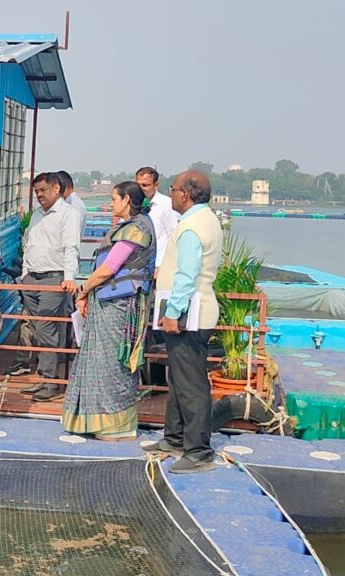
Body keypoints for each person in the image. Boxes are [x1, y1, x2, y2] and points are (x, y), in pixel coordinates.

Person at [143, 170, 223, 474]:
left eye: (174, 189)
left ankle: (199, 451)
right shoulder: (206, 220)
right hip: (194, 312)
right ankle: (175, 438)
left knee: (190, 385)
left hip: (190, 315)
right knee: (178, 380)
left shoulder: (191, 227)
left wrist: (173, 312)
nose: (171, 194)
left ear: (186, 194)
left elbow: (187, 275)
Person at [63, 182, 156, 440]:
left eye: (114, 199)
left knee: (111, 364)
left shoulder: (136, 229)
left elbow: (109, 268)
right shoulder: (134, 225)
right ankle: (97, 420)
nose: (112, 204)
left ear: (127, 200)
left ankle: (115, 425)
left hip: (120, 305)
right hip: (110, 301)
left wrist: (83, 289)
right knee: (100, 361)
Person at [11, 172, 81, 402]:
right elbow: (29, 244)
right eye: (36, 191)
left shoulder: (68, 215)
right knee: (38, 328)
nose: (39, 195)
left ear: (56, 189)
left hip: (54, 278)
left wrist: (69, 277)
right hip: (32, 279)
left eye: (43, 190)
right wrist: (24, 276)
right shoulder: (37, 215)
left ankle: (51, 382)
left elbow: (71, 247)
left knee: (46, 327)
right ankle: (44, 377)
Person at [135, 167, 178, 276]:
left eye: (145, 185)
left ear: (156, 184)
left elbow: (174, 236)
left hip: (158, 268)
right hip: (135, 268)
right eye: (138, 185)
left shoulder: (167, 205)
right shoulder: (132, 204)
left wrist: (164, 266)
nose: (141, 189)